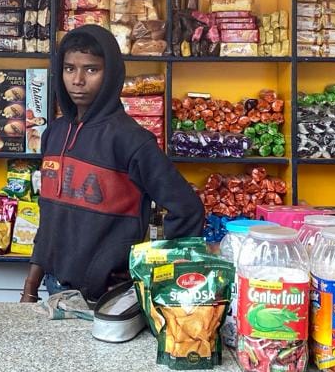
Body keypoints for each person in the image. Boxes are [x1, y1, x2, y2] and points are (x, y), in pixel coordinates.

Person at [20, 25, 205, 304]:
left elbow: (187, 209)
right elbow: (50, 217)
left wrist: (157, 273)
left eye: (91, 69)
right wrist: (30, 287)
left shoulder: (131, 140)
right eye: (69, 69)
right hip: (54, 289)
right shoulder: (54, 134)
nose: (78, 80)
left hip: (110, 297)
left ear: (111, 74)